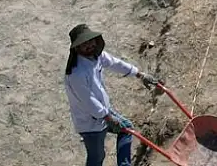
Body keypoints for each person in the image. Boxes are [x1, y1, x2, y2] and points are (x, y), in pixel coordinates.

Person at [64, 24, 160, 166]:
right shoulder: (77, 73)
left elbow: (116, 63)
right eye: (84, 44)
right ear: (77, 48)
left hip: (104, 111)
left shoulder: (97, 56)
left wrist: (140, 74)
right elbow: (89, 101)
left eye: (91, 41)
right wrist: (108, 118)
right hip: (89, 123)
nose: (89, 46)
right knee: (97, 158)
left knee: (126, 129)